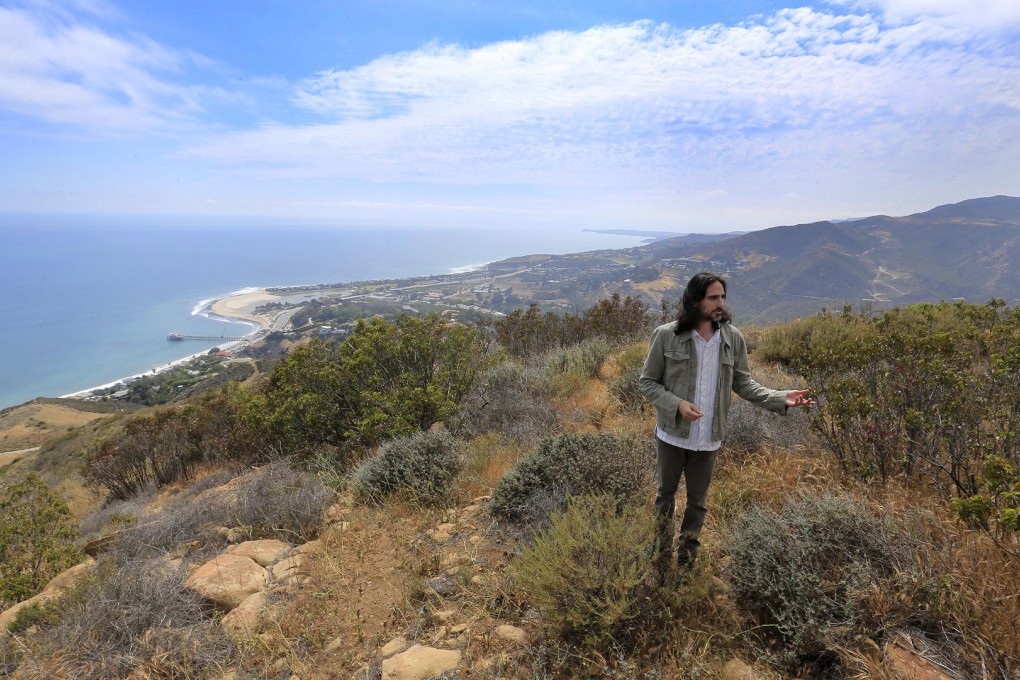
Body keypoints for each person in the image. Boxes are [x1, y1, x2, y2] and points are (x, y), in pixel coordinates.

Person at [639, 271, 814, 572]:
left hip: (709, 437)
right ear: (695, 301)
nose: (720, 303)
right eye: (713, 298)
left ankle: (686, 564)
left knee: (697, 503)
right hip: (672, 435)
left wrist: (779, 397)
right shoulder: (666, 335)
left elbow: (744, 384)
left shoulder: (732, 338)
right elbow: (648, 383)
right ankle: (659, 557)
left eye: (722, 297)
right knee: (665, 496)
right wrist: (677, 404)